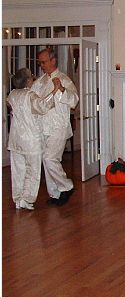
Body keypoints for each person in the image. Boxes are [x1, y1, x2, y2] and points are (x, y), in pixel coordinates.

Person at [31, 48, 79, 206]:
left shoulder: (64, 79)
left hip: (59, 126)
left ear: (53, 61)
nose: (41, 65)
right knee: (48, 161)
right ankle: (55, 193)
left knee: (49, 158)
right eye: (40, 63)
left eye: (44, 62)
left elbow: (74, 100)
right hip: (43, 127)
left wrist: (62, 90)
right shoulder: (40, 82)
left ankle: (67, 186)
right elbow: (33, 99)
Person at [7, 68, 61, 210]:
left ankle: (18, 199)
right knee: (33, 171)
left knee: (18, 171)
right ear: (27, 81)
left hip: (15, 139)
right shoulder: (29, 96)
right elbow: (42, 106)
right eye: (31, 77)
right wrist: (55, 90)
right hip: (30, 140)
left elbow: (10, 106)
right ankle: (26, 198)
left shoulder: (12, 94)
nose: (33, 79)